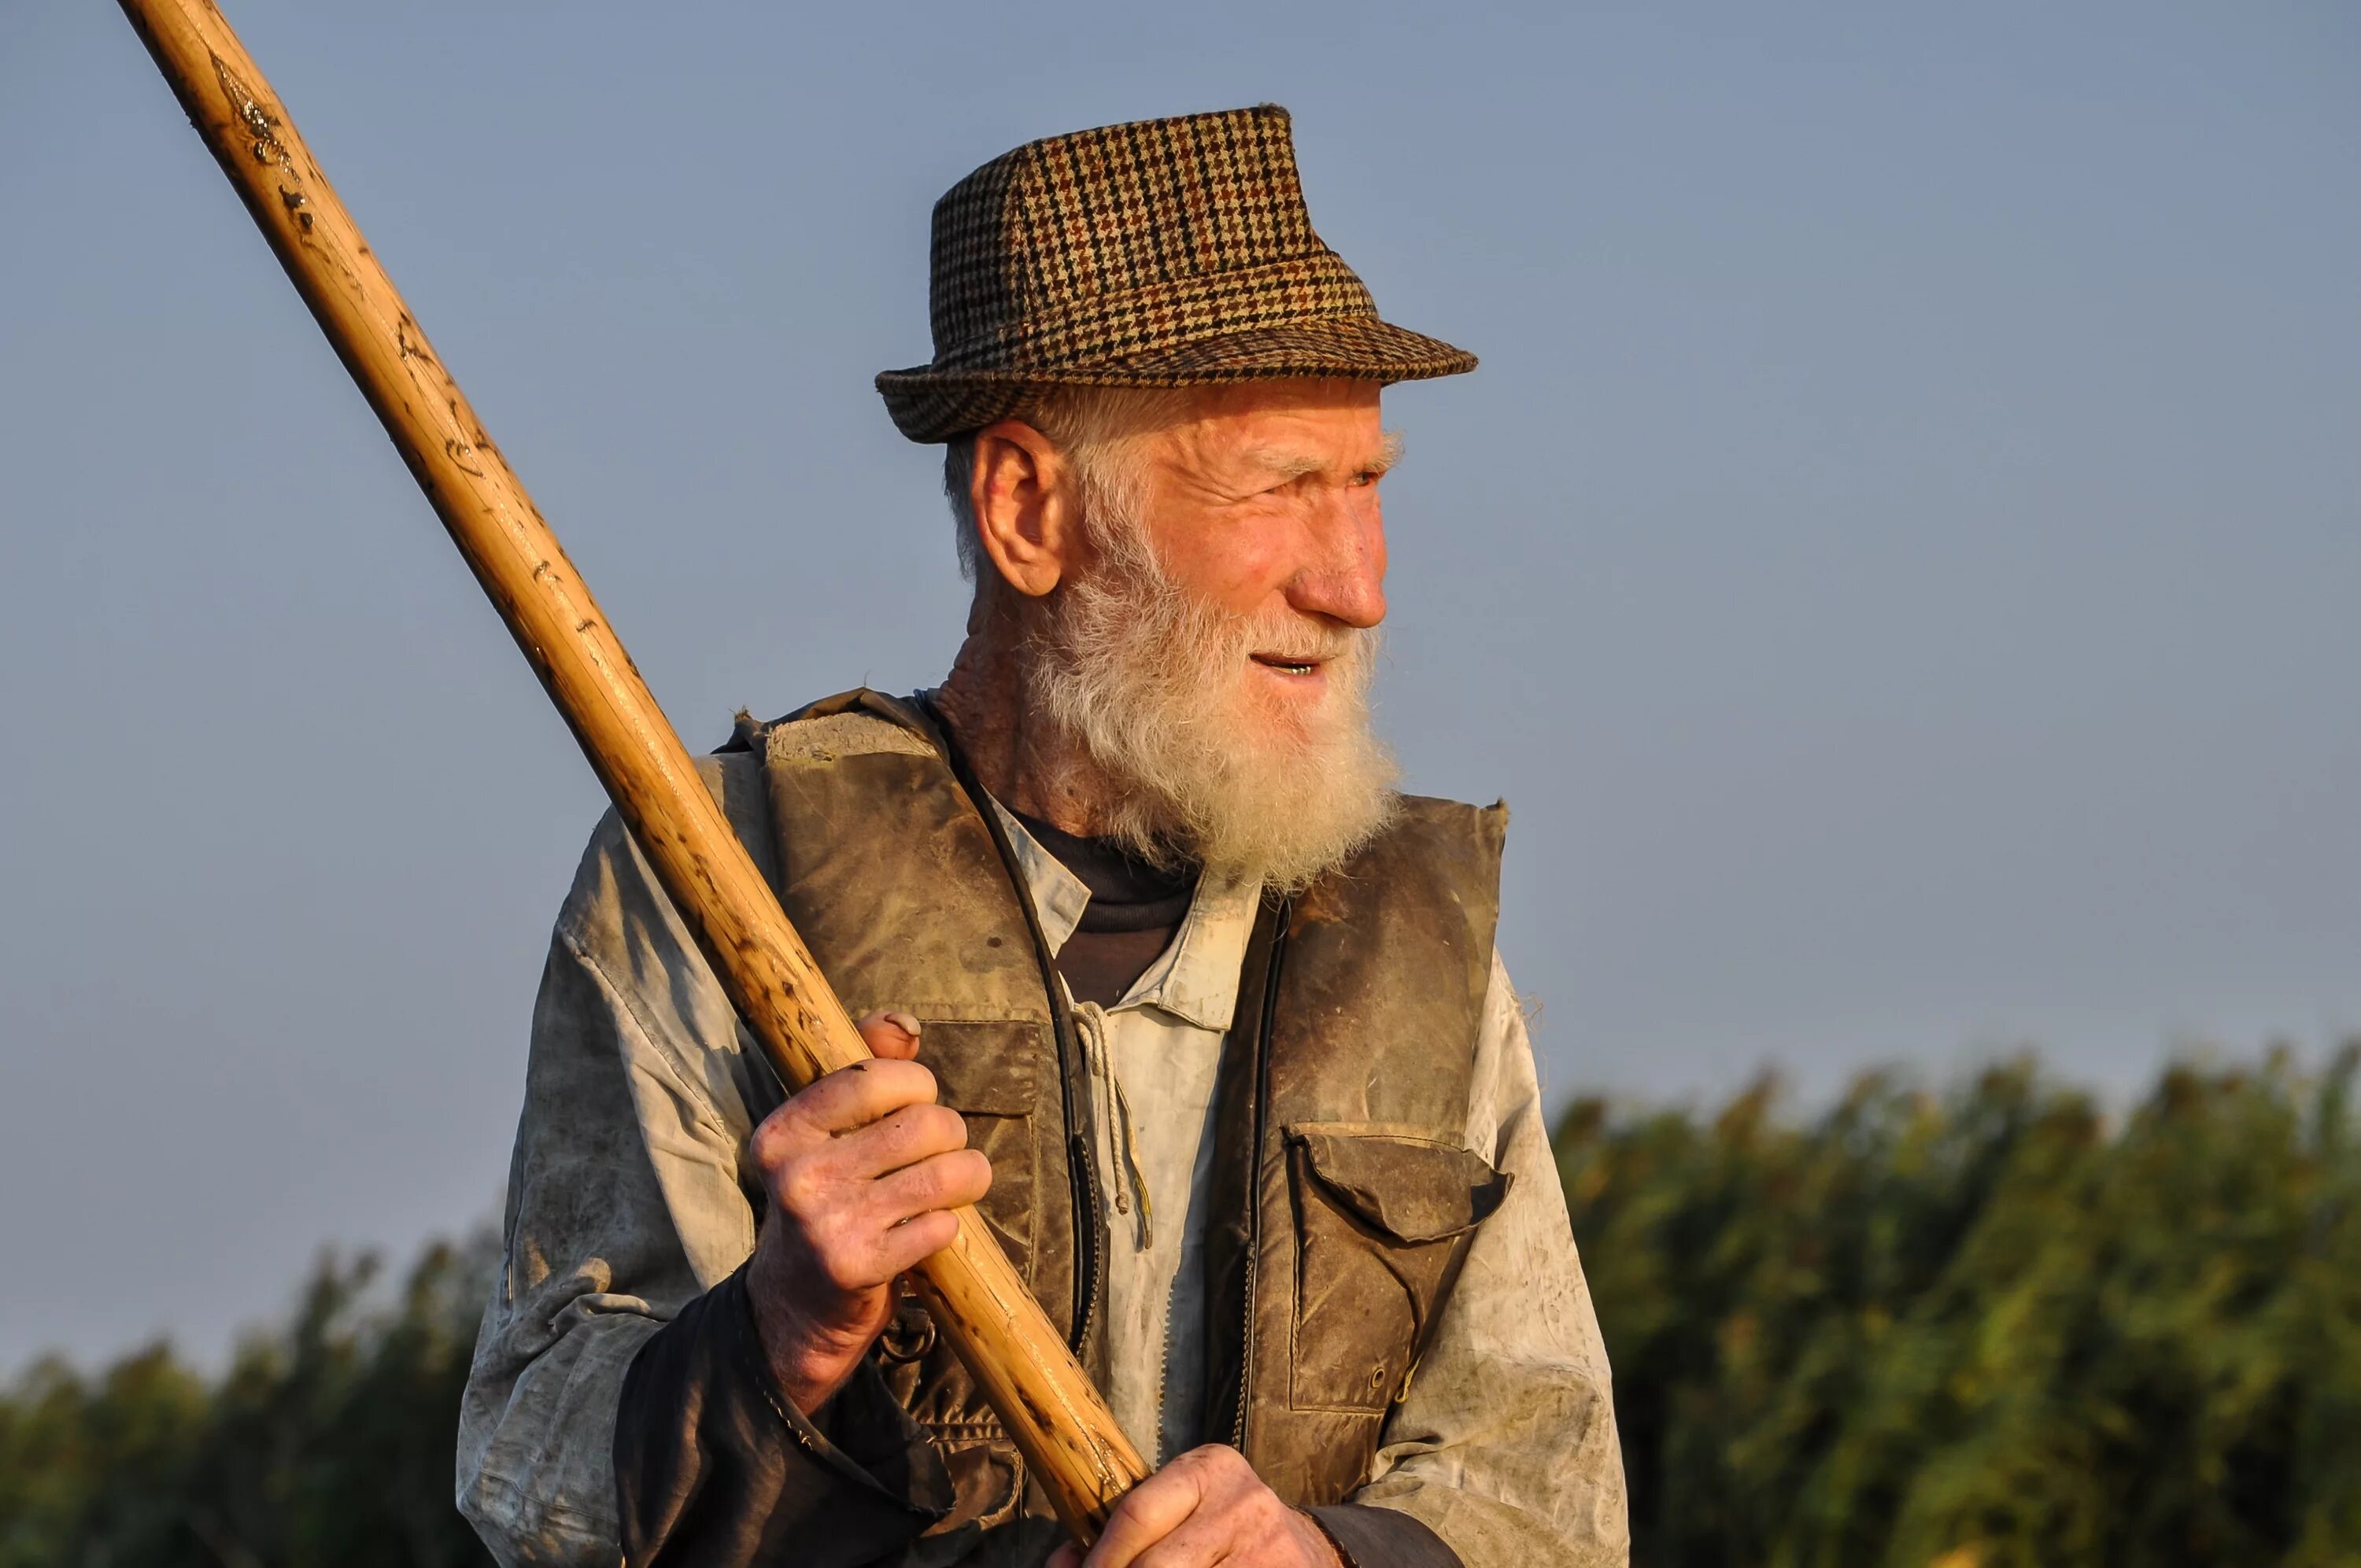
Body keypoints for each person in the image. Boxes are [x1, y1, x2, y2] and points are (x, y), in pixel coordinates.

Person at [456, 105, 1628, 1568]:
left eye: (1368, 482)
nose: (1358, 585)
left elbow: (1555, 1491)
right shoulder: (716, 876)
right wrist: (779, 1332)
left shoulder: (1416, 946)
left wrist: (1337, 1559)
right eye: (1280, 485)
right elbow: (526, 1465)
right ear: (1028, 509)